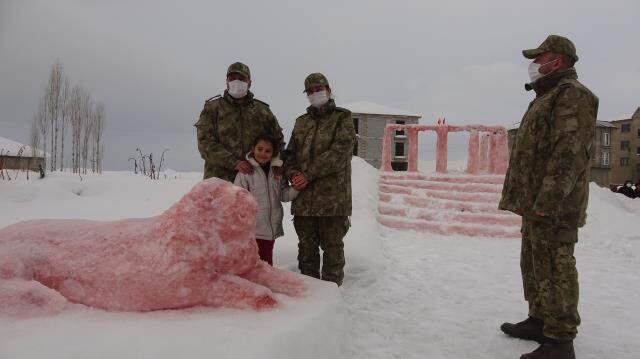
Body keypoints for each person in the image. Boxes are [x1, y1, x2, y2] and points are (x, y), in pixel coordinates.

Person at [498, 35, 598, 359]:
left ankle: (560, 340)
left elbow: (569, 153)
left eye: (541, 58)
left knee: (556, 266)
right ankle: (540, 319)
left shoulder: (572, 95)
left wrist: (548, 201)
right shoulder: (547, 96)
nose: (535, 64)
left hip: (554, 205)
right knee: (534, 262)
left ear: (559, 60)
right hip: (535, 202)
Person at [283, 73, 356, 286]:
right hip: (304, 201)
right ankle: (310, 301)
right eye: (310, 91)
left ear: (328, 89)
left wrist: (307, 174)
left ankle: (332, 299)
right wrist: (293, 175)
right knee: (306, 252)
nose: (315, 93)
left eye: (318, 88)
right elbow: (289, 155)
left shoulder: (342, 118)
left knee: (332, 250)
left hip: (332, 202)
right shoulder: (301, 122)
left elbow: (340, 153)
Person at [195, 62, 284, 182]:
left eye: (241, 78)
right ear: (226, 81)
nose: (236, 82)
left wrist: (276, 164)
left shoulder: (262, 111)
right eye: (232, 78)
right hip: (219, 182)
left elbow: (278, 141)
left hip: (254, 182)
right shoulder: (213, 108)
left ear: (249, 82)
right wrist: (234, 163)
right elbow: (205, 144)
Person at [234, 135, 298, 266]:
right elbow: (238, 200)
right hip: (253, 229)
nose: (263, 153)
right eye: (260, 149)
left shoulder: (277, 171)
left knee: (266, 264)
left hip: (270, 229)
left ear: (273, 153)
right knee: (251, 264)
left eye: (268, 151)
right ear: (253, 149)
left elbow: (283, 195)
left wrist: (296, 189)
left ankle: (264, 284)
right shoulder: (246, 172)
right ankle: (254, 285)